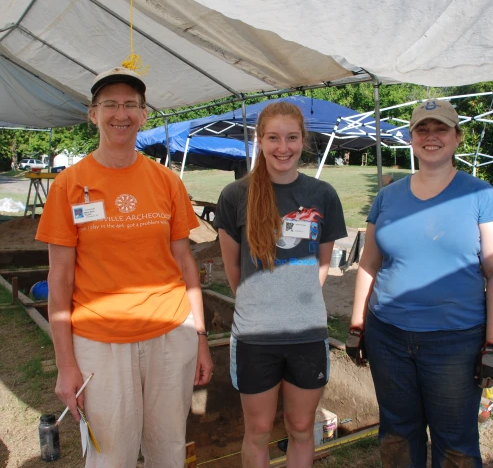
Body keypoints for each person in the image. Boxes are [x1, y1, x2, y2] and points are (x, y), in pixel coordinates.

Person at [35, 67, 214, 468]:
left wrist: (200, 337)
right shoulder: (68, 185)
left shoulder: (166, 180)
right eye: (110, 104)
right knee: (110, 455)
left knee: (168, 448)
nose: (121, 113)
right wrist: (66, 365)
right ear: (92, 114)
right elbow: (59, 278)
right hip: (101, 341)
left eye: (131, 104)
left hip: (172, 334)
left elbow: (184, 261)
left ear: (144, 114)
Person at [348, 99, 493, 468]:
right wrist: (358, 326)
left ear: (457, 137)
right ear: (411, 139)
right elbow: (369, 264)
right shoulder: (388, 197)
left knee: (456, 442)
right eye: (422, 129)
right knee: (396, 433)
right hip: (387, 336)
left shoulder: (481, 196)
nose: (431, 136)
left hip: (454, 342)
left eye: (440, 128)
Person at [213, 102, 347, 468]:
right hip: (256, 336)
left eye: (291, 138)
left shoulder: (322, 195)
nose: (282, 147)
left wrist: (298, 301)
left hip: (307, 333)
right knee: (257, 430)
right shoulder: (235, 195)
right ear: (260, 141)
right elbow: (234, 270)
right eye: (273, 138)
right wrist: (263, 305)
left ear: (303, 141)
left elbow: (322, 264)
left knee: (301, 426)